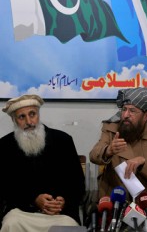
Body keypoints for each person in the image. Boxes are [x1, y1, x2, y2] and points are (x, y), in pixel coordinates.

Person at [0, 94, 85, 232]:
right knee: (11, 224)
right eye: (22, 117)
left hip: (60, 213)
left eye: (32, 114)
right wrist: (33, 200)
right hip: (22, 212)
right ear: (14, 120)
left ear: (38, 114)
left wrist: (62, 201)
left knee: (69, 227)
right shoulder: (5, 146)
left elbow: (78, 184)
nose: (29, 121)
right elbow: (4, 188)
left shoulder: (63, 141)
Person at [89, 87, 147, 216]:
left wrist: (144, 163)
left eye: (132, 111)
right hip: (115, 202)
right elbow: (93, 155)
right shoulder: (111, 129)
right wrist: (108, 150)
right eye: (124, 109)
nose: (125, 115)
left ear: (146, 115)